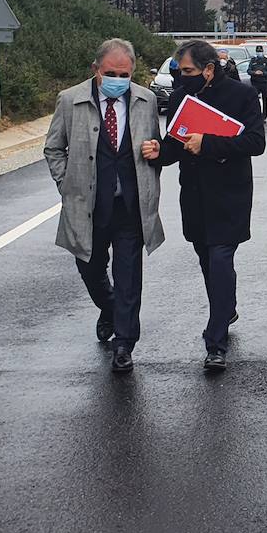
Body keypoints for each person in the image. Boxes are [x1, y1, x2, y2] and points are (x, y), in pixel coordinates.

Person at [44, 38, 166, 373]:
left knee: (129, 276)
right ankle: (109, 308)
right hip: (88, 206)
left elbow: (155, 145)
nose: (117, 79)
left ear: (133, 72)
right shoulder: (70, 100)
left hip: (130, 206)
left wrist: (156, 151)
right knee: (91, 269)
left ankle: (124, 343)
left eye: (124, 74)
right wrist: (66, 185)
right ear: (96, 70)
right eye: (110, 72)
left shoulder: (146, 100)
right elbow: (54, 148)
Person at [155, 40, 266, 371]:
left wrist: (209, 143)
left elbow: (256, 142)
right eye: (179, 71)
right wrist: (156, 152)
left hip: (230, 194)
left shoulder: (242, 95)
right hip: (194, 195)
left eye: (187, 71)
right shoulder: (178, 99)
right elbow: (173, 146)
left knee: (220, 257)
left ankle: (215, 341)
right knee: (207, 258)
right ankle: (226, 307)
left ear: (208, 69)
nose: (182, 76)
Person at [248, 45, 267, 118]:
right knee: (255, 100)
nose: (259, 53)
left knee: (265, 100)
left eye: (260, 51)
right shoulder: (253, 60)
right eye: (258, 52)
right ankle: (257, 115)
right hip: (255, 83)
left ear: (262, 52)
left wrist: (263, 73)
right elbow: (249, 70)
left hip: (264, 83)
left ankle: (264, 116)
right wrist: (255, 73)